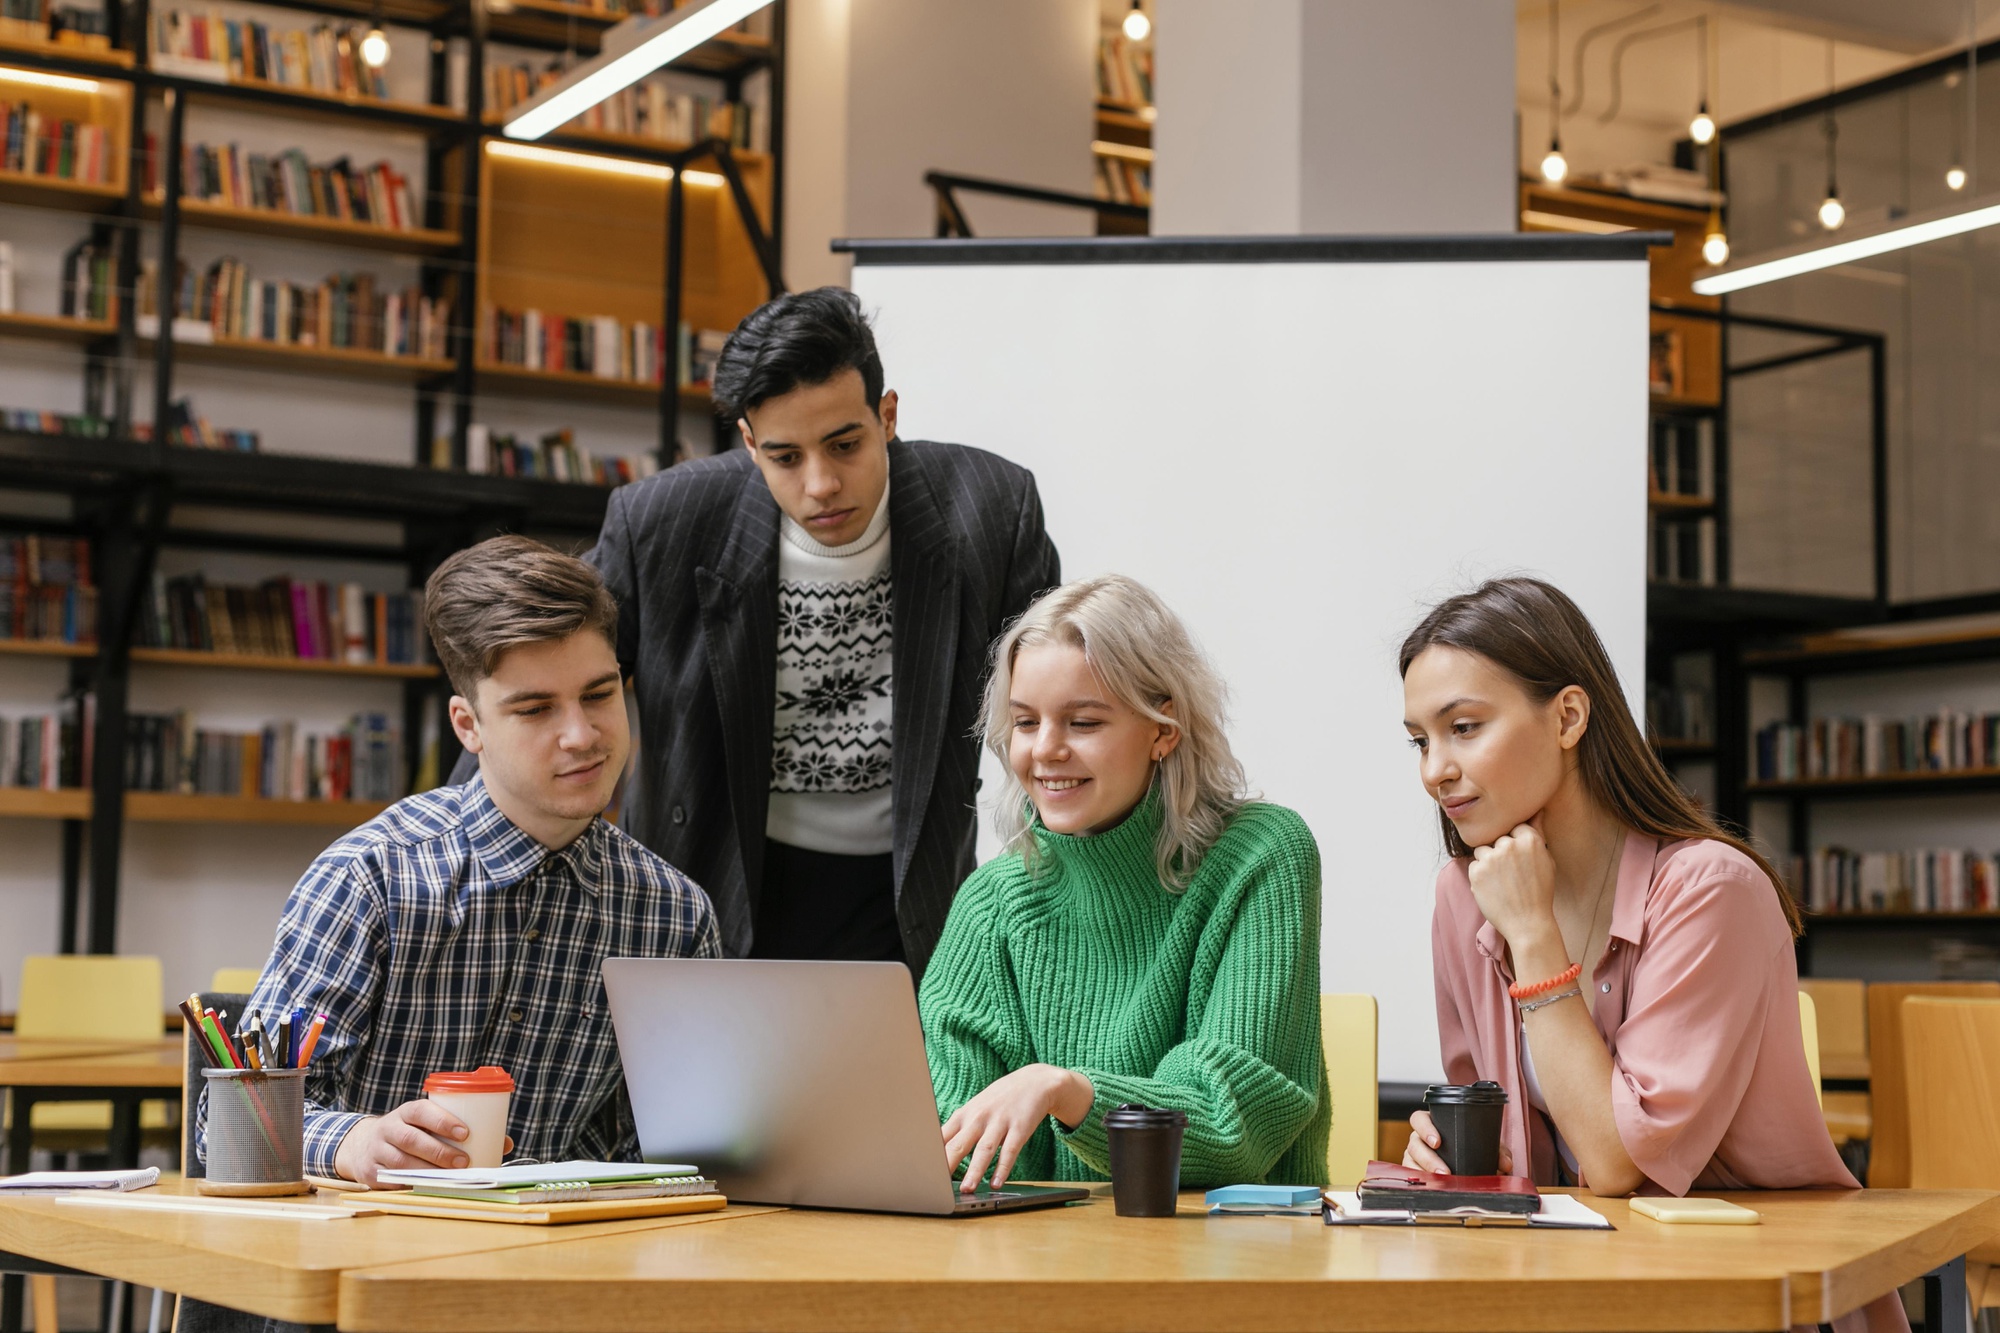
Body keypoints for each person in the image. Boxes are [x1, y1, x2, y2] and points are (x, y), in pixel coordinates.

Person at [457, 287, 1059, 974]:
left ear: (887, 415)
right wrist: (451, 849)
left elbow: (1055, 703)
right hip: (714, 884)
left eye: (844, 443)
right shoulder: (663, 521)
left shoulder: (989, 507)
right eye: (785, 456)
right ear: (748, 443)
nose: (821, 483)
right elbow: (534, 674)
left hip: (910, 895)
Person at [1398, 577, 1905, 1333]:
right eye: (1420, 739)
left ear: (1568, 715)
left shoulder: (1710, 889)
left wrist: (1533, 937)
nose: (1434, 768)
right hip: (1585, 1292)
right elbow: (1506, 1147)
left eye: (1464, 726)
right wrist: (1445, 1153)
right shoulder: (1463, 893)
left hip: (1749, 1297)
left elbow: (1615, 1163)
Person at [199, 536, 720, 1189]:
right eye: (534, 708)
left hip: (558, 1264)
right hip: (365, 1253)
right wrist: (353, 1140)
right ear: (468, 726)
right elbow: (229, 1120)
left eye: (599, 693)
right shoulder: (370, 877)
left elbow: (679, 1149)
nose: (582, 735)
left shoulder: (673, 914)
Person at [919, 575, 1328, 1193]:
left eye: (1082, 723)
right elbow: (955, 1146)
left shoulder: (1261, 855)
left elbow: (1232, 1124)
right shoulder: (991, 902)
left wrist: (1069, 1092)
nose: (1045, 750)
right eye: (1026, 723)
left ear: (1163, 731)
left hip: (1237, 1261)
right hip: (1048, 1268)